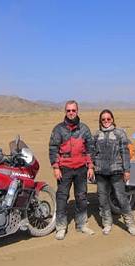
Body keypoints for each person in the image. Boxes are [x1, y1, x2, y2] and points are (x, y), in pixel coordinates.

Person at [49, 100, 95, 240]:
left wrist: (90, 166)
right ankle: (61, 227)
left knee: (81, 197)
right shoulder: (58, 129)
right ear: (65, 111)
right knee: (62, 197)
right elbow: (53, 148)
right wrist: (56, 167)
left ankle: (81, 224)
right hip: (65, 168)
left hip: (81, 168)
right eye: (68, 110)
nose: (71, 113)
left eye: (73, 110)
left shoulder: (84, 129)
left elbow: (90, 149)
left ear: (77, 111)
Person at [93, 109, 135, 236]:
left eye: (108, 119)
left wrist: (127, 170)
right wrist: (91, 167)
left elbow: (125, 152)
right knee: (102, 200)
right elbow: (91, 152)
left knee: (121, 198)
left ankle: (130, 224)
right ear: (100, 121)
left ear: (112, 119)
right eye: (103, 119)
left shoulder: (120, 134)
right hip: (100, 172)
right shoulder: (96, 135)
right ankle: (107, 223)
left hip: (116, 171)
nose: (106, 121)